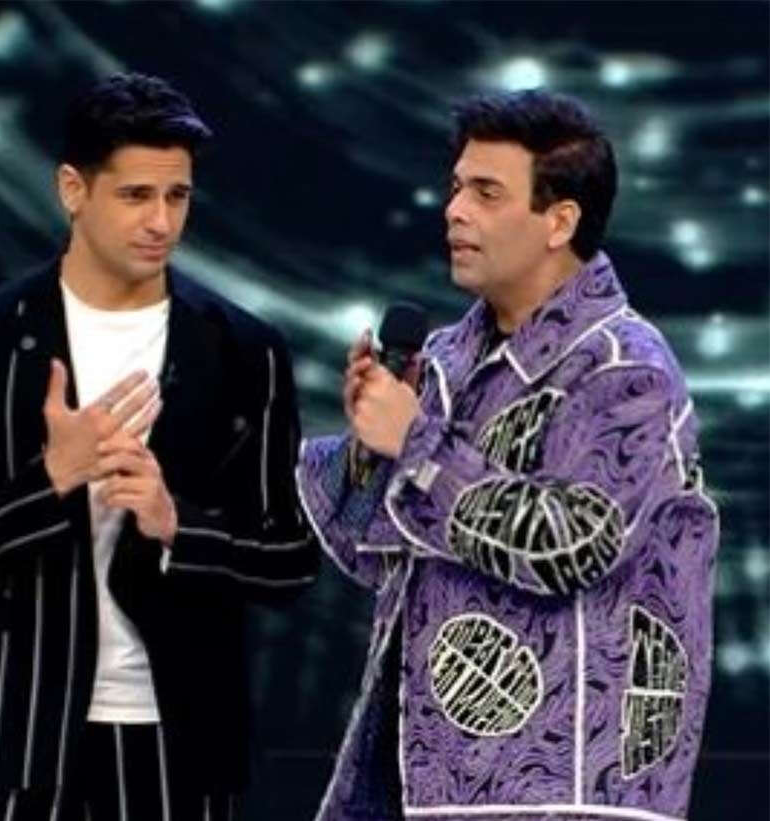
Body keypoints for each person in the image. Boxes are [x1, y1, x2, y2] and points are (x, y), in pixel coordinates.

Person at [0, 72, 317, 821]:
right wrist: (51, 477)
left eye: (177, 197)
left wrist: (177, 525)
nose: (161, 221)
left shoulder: (245, 351)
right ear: (73, 189)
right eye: (135, 196)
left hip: (176, 747)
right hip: (6, 743)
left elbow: (289, 562)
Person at [297, 89, 718, 821]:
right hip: (409, 778)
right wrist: (369, 446)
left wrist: (417, 446)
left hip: (563, 790)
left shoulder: (626, 367)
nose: (454, 211)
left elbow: (571, 545)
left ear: (561, 220)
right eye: (456, 187)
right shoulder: (443, 359)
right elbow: (373, 553)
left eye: (486, 193)